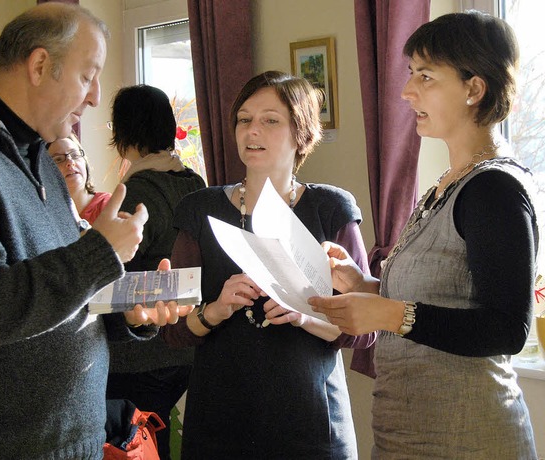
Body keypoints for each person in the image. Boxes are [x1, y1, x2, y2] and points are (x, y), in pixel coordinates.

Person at [0, 4, 189, 459]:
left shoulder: (36, 154)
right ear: (39, 65)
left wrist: (126, 315)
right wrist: (99, 252)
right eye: (87, 75)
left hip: (70, 441)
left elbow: (51, 295)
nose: (96, 96)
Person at [309, 11, 539, 459]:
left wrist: (387, 314)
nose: (406, 91)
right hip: (408, 435)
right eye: (411, 73)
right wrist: (364, 286)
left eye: (426, 76)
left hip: (468, 439)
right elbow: (446, 297)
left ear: (474, 88)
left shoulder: (494, 189)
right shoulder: (447, 183)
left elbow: (508, 328)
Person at [161, 70, 377, 459]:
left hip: (312, 426)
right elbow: (175, 330)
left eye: (270, 120)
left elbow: (363, 331)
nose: (252, 131)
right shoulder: (199, 209)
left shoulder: (330, 209)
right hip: (218, 426)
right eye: (244, 119)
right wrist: (216, 309)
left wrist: (304, 315)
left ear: (302, 134)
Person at [103, 84, 206, 460]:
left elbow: (112, 273)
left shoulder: (136, 193)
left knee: (133, 444)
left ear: (123, 132)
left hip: (144, 352)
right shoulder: (194, 183)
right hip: (188, 346)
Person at [48, 131, 111, 224]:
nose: (70, 162)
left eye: (75, 155)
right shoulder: (46, 215)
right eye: (58, 159)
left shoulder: (108, 204)